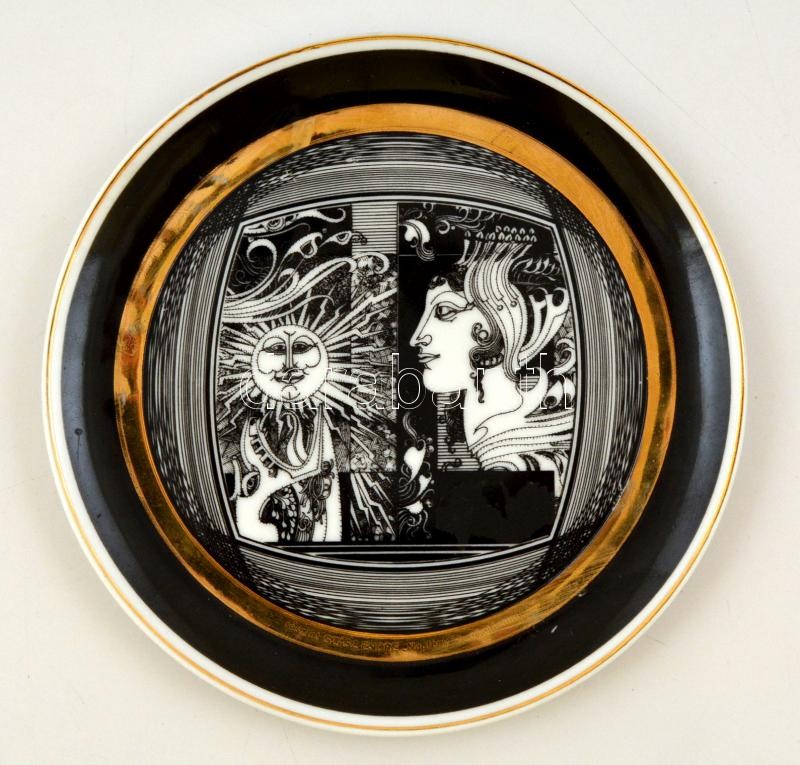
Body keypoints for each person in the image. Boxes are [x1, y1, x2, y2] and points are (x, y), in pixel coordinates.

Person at [409, 236, 576, 495]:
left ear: (502, 321)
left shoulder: (516, 459)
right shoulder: (496, 434)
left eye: (444, 311)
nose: (417, 337)